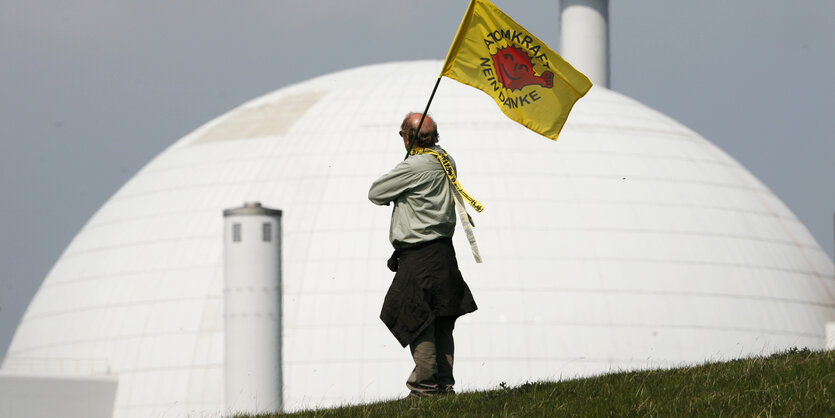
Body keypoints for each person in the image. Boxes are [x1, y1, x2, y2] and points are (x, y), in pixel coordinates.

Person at [368, 112, 478, 398]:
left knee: (418, 318)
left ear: (407, 138)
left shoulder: (412, 167)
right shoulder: (446, 160)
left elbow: (376, 192)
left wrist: (405, 171)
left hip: (418, 256)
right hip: (444, 253)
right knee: (442, 319)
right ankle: (444, 385)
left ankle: (425, 389)